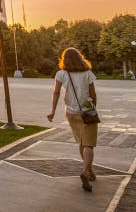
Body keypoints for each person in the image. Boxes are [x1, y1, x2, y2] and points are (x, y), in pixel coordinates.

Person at [47, 47, 98, 192]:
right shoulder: (88, 73)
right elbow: (93, 94)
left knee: (82, 142)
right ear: (79, 58)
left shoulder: (61, 74)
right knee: (89, 144)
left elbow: (56, 92)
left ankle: (89, 171)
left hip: (70, 112)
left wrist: (52, 111)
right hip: (87, 111)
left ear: (64, 59)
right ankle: (86, 172)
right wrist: (93, 108)